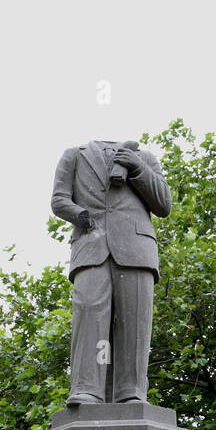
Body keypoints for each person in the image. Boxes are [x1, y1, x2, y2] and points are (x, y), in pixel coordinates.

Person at [51, 139, 171, 405]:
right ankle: (87, 388)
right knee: (89, 313)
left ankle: (132, 392)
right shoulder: (74, 155)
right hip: (91, 246)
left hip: (136, 249)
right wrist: (78, 213)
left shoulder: (144, 157)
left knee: (135, 322)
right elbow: (59, 199)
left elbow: (163, 204)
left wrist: (137, 168)